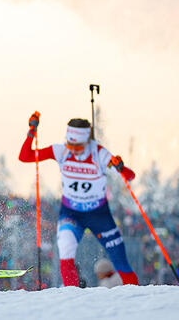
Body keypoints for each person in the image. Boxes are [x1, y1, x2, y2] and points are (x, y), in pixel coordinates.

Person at [18, 112, 139, 286]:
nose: (73, 150)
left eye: (78, 146)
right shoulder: (61, 150)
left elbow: (129, 176)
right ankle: (72, 296)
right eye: (70, 144)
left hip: (99, 215)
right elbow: (25, 156)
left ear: (87, 141)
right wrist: (31, 132)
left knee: (120, 261)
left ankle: (136, 296)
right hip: (71, 213)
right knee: (65, 249)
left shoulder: (99, 153)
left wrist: (120, 166)